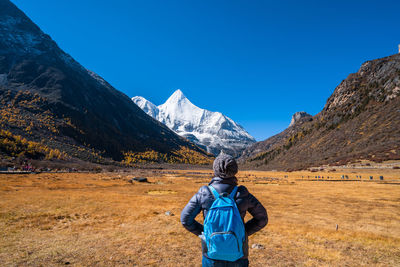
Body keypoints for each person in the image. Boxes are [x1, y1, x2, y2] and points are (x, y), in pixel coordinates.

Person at [181, 154, 268, 267]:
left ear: (215, 170)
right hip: (239, 255)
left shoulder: (204, 192)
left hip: (211, 255)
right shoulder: (242, 193)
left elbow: (185, 219)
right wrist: (243, 232)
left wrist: (205, 233)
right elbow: (262, 218)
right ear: (235, 170)